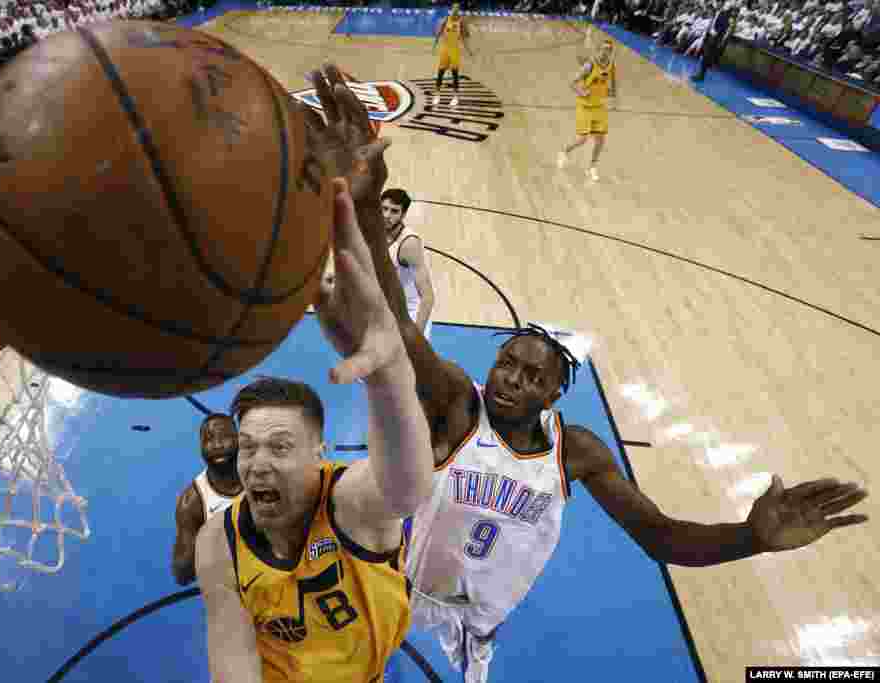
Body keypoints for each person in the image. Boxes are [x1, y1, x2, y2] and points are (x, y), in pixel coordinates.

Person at [357, 150, 870, 683]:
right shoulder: (460, 404)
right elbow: (401, 324)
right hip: (406, 583)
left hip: (485, 607)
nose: (512, 379)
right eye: (507, 363)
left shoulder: (576, 451)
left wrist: (752, 538)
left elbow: (662, 537)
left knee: (475, 654)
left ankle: (476, 651)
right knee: (370, 659)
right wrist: (371, 216)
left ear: (555, 393)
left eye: (533, 376)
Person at [193, 63, 435, 683]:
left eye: (279, 446)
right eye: (248, 447)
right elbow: (232, 662)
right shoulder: (219, 543)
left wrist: (389, 375)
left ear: (320, 453)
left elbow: (408, 489)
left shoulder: (349, 502)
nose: (256, 462)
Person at [171, 413, 243, 586]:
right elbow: (181, 574)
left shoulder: (263, 474)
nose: (217, 445)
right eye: (209, 439)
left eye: (224, 437)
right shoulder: (192, 502)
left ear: (240, 439)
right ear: (200, 447)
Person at [557, 38, 617, 182]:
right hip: (585, 106)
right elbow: (572, 83)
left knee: (601, 140)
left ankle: (592, 167)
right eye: (603, 49)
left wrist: (613, 97)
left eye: (608, 50)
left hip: (599, 107)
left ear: (610, 52)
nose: (605, 52)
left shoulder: (611, 66)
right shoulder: (589, 66)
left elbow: (613, 84)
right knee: (583, 139)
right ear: (598, 50)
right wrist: (581, 93)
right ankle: (564, 152)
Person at [380, 188, 436, 341]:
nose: (386, 215)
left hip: (411, 314)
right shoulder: (374, 231)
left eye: (394, 211)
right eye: (384, 208)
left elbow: (427, 296)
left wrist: (416, 337)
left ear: (403, 215)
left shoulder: (408, 244)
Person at [432, 3, 474, 108]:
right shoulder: (446, 19)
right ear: (451, 9)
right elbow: (439, 32)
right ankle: (437, 95)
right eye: (454, 8)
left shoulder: (461, 21)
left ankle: (455, 97)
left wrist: (468, 50)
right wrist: (435, 43)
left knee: (455, 74)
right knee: (440, 73)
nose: (455, 10)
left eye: (457, 9)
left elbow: (465, 37)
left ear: (459, 10)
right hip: (445, 50)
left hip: (455, 51)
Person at [692, 0, 736, 81]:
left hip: (714, 38)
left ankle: (701, 75)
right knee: (705, 56)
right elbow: (713, 22)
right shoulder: (716, 11)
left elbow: (723, 27)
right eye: (717, 2)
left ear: (722, 4)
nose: (717, 3)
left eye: (719, 2)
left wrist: (714, 33)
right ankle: (701, 72)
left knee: (706, 57)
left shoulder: (724, 14)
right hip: (709, 35)